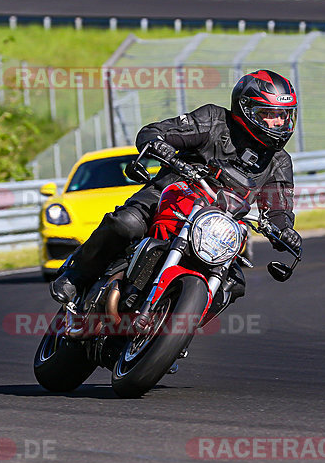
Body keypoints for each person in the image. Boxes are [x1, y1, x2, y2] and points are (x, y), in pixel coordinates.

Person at [50, 69, 302, 306]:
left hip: (218, 227)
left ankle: (176, 325)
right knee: (126, 223)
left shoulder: (279, 162)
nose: (277, 123)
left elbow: (277, 210)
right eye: (268, 114)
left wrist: (285, 231)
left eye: (283, 116)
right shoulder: (214, 120)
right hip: (169, 195)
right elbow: (155, 131)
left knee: (233, 284)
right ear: (246, 109)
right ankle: (76, 274)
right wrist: (159, 144)